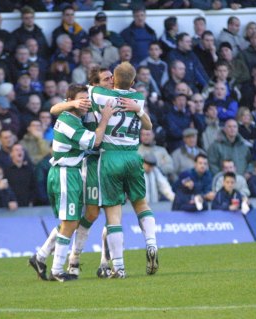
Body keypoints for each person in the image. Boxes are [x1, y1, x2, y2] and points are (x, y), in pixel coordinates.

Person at [29, 83, 116, 281]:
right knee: (69, 222)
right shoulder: (69, 121)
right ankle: (58, 270)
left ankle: (41, 257)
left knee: (72, 221)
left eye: (87, 99)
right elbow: (95, 141)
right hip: (65, 172)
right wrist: (105, 119)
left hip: (72, 172)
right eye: (82, 100)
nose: (86, 103)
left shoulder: (74, 116)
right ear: (71, 102)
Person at [88, 62, 158, 278]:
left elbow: (88, 89)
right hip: (133, 155)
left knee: (113, 214)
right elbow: (146, 124)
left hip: (110, 156)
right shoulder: (138, 99)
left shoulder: (99, 94)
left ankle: (118, 267)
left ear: (113, 80)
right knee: (141, 203)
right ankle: (152, 244)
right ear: (134, 82)